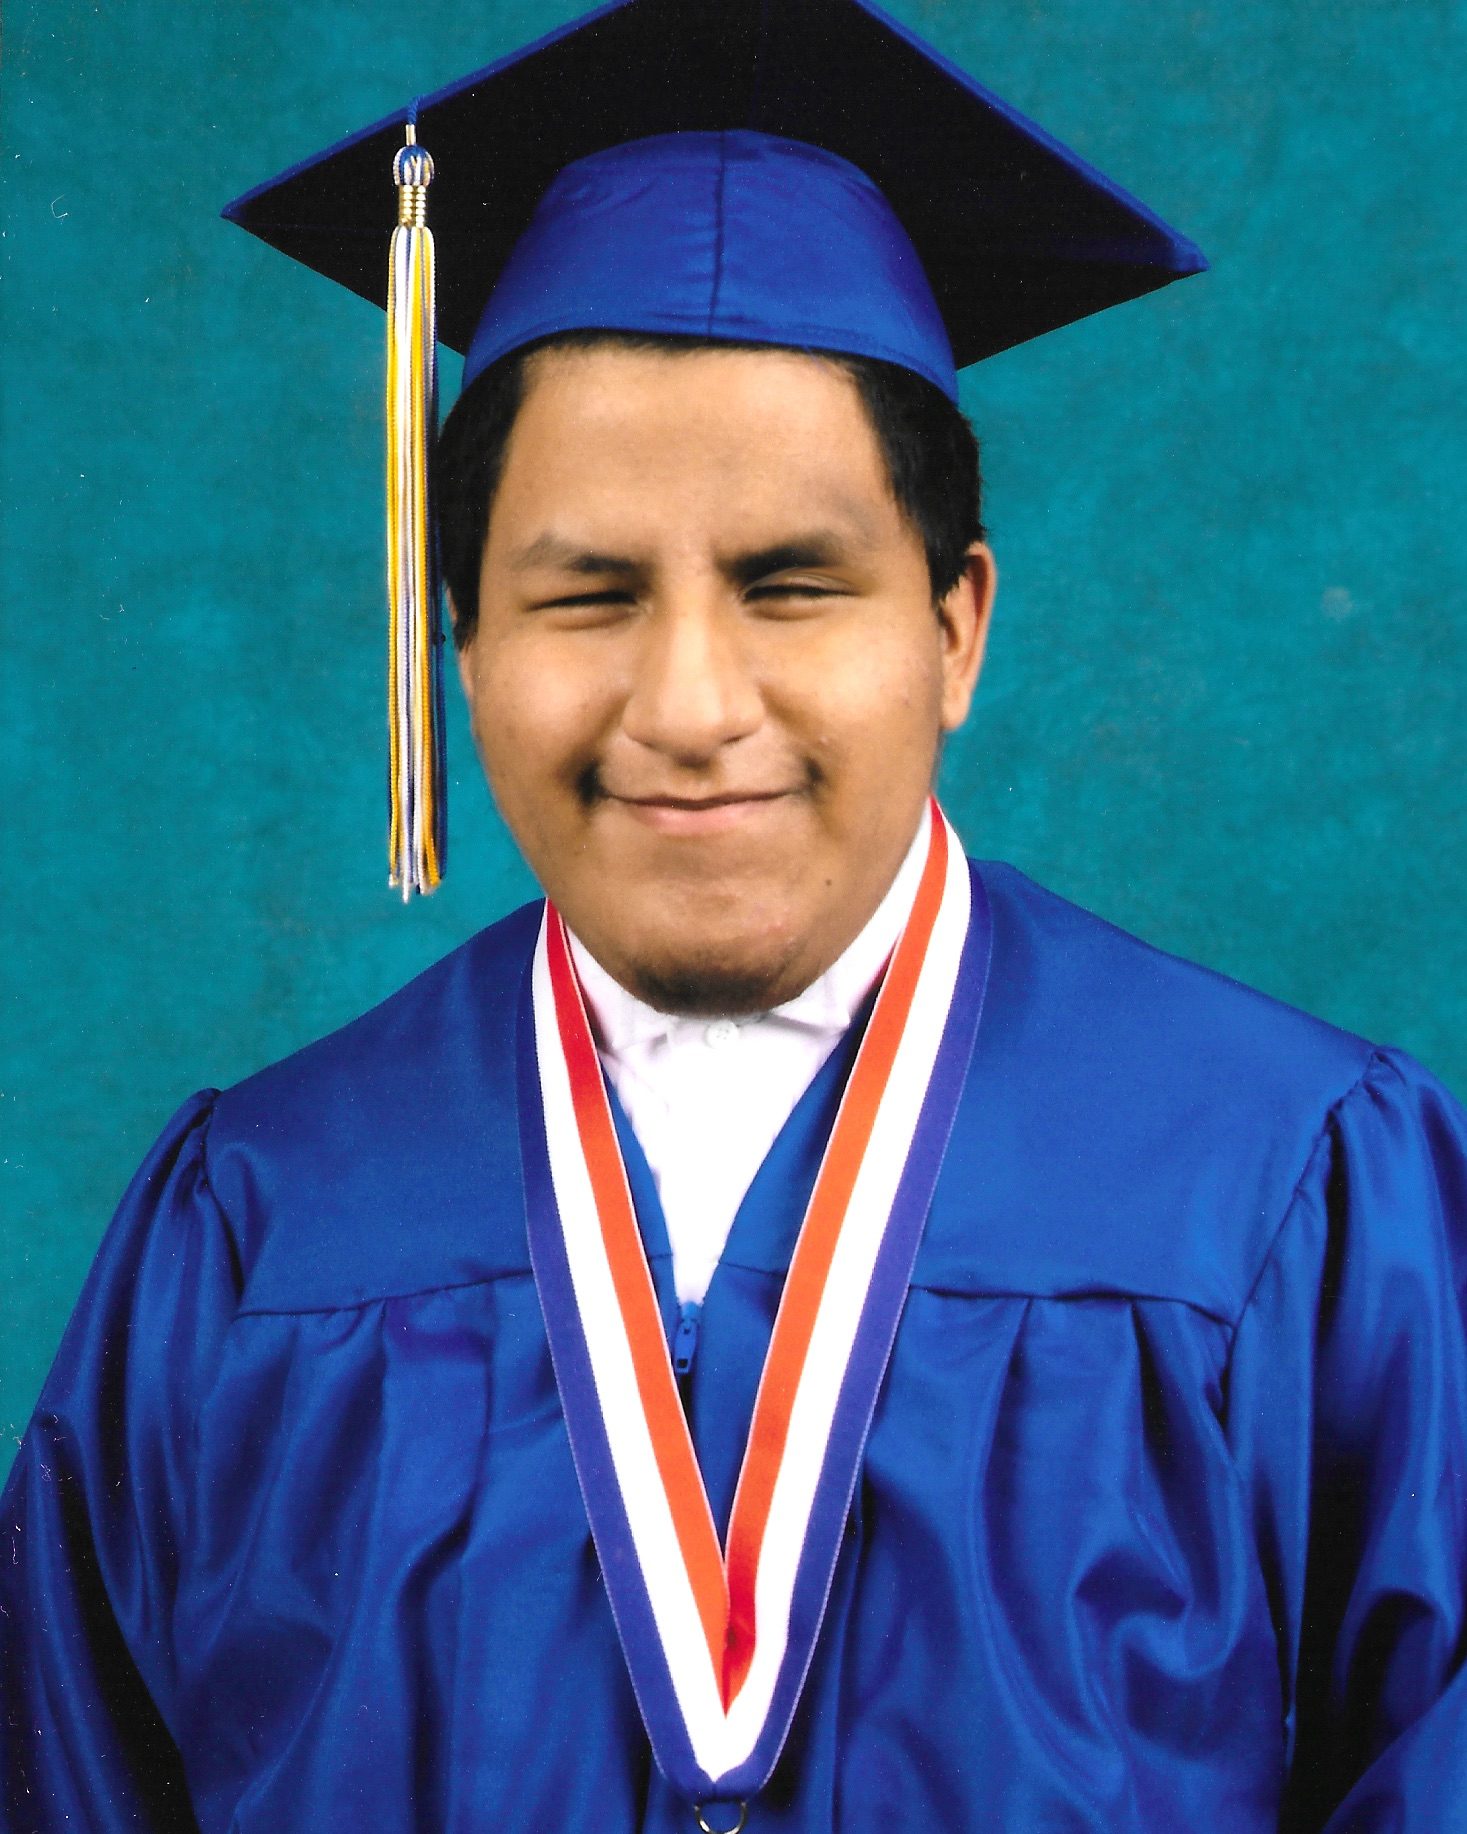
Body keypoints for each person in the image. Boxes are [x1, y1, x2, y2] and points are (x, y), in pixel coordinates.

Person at [3, 3, 1466, 1831]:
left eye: (791, 584)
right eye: (587, 594)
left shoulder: (1292, 1199)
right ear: (458, 645)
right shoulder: (252, 1237)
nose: (690, 703)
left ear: (955, 626)